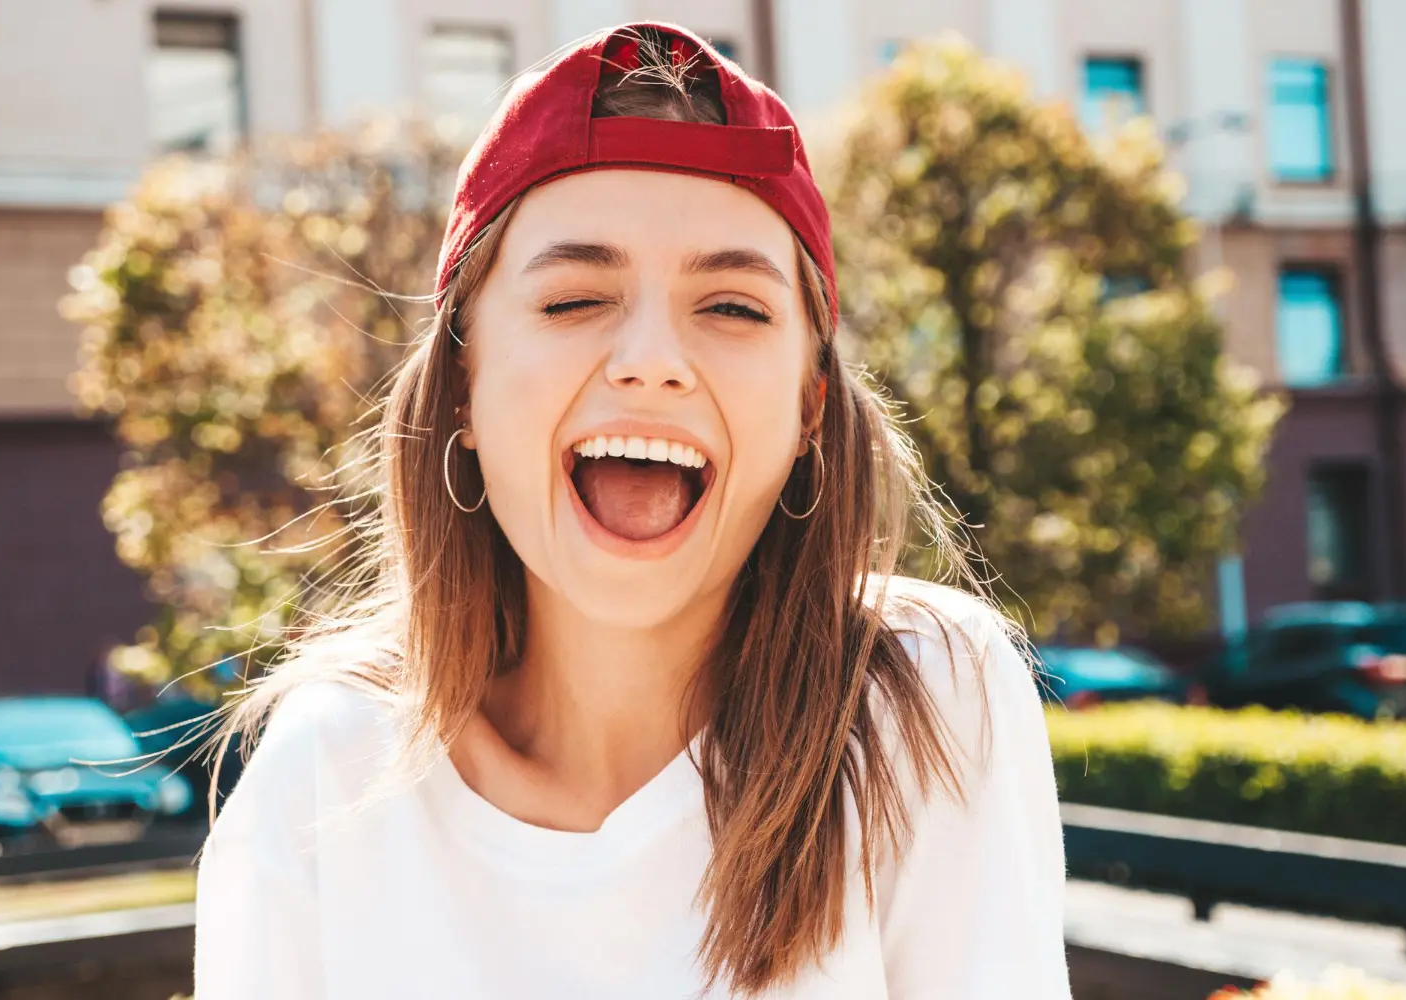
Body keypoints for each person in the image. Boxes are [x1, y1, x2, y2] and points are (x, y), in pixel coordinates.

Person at [192, 21, 1070, 1000]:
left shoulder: (932, 699)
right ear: (463, 388)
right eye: (574, 300)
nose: (650, 356)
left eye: (733, 306)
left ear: (810, 405)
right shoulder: (325, 770)